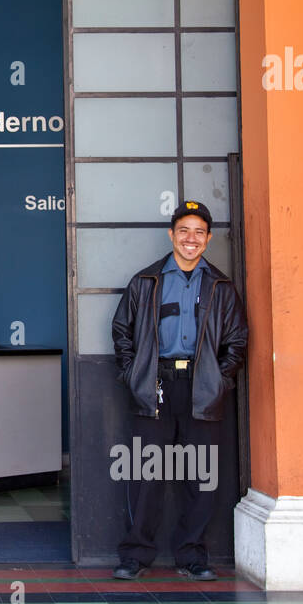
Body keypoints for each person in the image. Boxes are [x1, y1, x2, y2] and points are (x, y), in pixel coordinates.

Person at [110, 199, 248, 581]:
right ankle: (135, 556)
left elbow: (236, 340)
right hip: (155, 386)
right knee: (145, 475)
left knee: (200, 477)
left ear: (208, 239)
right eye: (184, 231)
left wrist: (219, 379)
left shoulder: (220, 286)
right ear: (172, 235)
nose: (191, 239)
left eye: (199, 232)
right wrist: (132, 375)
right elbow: (122, 333)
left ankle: (192, 557)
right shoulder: (146, 282)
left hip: (202, 389)